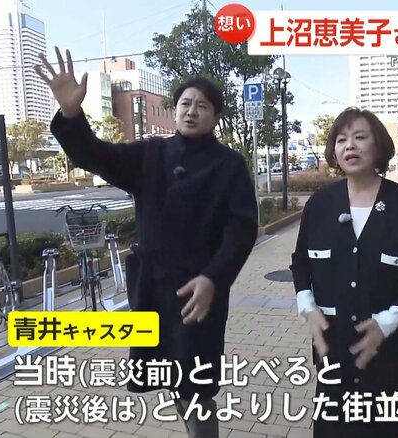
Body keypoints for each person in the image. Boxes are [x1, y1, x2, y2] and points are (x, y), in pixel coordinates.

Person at [36, 47, 259, 438]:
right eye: (185, 103)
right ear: (175, 111)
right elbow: (97, 155)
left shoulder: (230, 165)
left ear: (216, 117)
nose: (191, 111)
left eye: (202, 106)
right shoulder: (151, 154)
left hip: (198, 291)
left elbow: (241, 229)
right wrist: (72, 114)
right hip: (154, 288)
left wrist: (214, 278)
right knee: (172, 378)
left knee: (196, 385)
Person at [290, 107, 398, 437]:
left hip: (384, 349)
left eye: (359, 137)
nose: (350, 146)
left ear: (379, 145)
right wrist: (307, 308)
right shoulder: (320, 204)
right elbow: (300, 263)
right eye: (342, 140)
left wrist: (389, 320)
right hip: (332, 346)